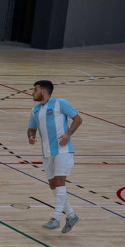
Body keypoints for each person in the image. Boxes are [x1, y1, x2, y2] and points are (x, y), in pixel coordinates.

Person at [27, 79, 84, 233]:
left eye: (35, 90)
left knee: (60, 182)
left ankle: (56, 218)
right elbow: (31, 128)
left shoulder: (60, 103)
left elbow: (78, 119)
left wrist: (68, 134)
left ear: (43, 91)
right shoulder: (35, 110)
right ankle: (71, 215)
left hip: (62, 150)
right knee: (53, 184)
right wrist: (31, 136)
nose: (32, 93)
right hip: (47, 152)